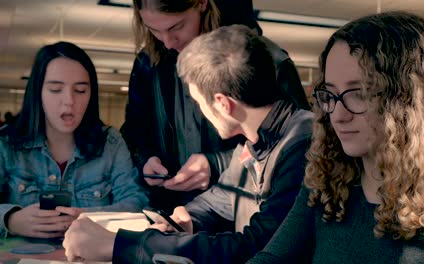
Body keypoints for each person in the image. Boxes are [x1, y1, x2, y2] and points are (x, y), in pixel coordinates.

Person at [63, 24, 314, 264]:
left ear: (223, 105)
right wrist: (187, 218)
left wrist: (119, 245)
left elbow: (256, 247)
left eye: (198, 102)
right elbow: (221, 198)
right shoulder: (258, 141)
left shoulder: (301, 145)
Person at [247, 11, 424, 264]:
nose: (338, 116)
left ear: (410, 99)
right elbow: (273, 257)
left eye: (360, 93)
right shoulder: (328, 175)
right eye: (330, 94)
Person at [120, 0, 311, 211]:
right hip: (176, 209)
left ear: (202, 3)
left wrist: (217, 164)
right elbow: (134, 130)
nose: (167, 42)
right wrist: (145, 159)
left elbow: (292, 145)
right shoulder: (148, 64)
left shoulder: (264, 59)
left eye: (177, 27)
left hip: (246, 207)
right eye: (154, 30)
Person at [0, 41, 148, 239]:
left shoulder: (109, 143)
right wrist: (11, 220)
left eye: (80, 91)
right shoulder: (7, 143)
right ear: (38, 93)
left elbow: (136, 202)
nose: (69, 100)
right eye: (55, 89)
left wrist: (90, 218)